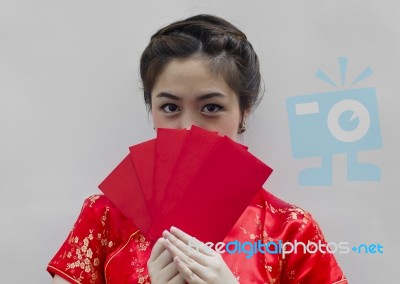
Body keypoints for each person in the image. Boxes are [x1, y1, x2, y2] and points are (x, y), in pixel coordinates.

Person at [48, 14, 348, 283]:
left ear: (244, 111)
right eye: (169, 107)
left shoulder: (289, 229)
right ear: (151, 110)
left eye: (211, 107)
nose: (188, 128)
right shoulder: (104, 217)